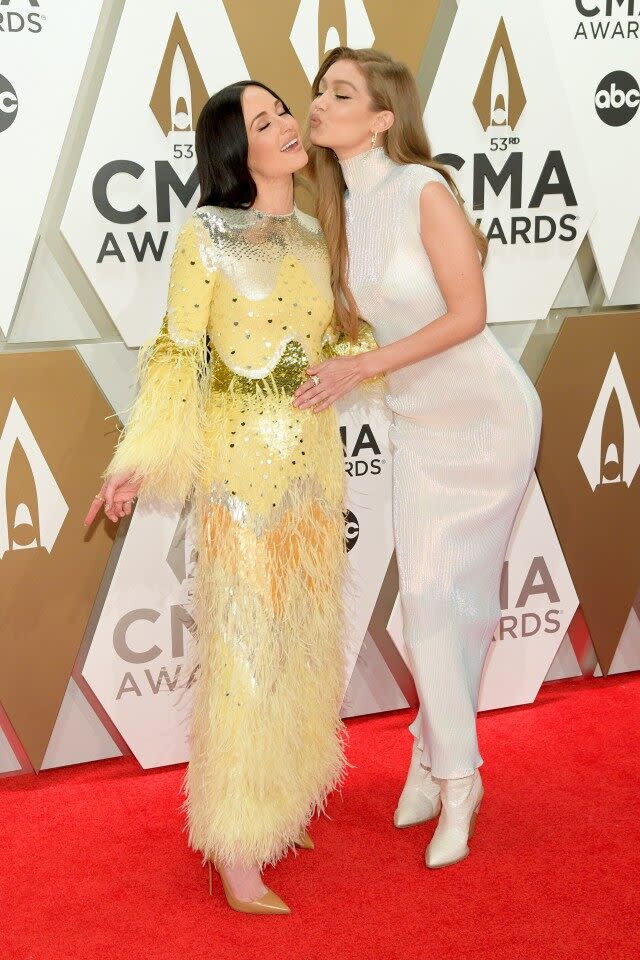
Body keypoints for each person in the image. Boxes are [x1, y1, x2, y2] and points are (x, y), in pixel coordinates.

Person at [85, 79, 375, 913]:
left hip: (316, 467)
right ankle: (235, 839)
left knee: (304, 642)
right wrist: (137, 460)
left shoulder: (320, 234)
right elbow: (178, 352)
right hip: (239, 473)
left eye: (285, 110)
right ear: (232, 149)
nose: (287, 124)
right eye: (264, 120)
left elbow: (330, 338)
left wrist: (363, 350)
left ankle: (283, 800)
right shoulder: (206, 233)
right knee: (245, 653)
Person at [294, 47, 542, 869]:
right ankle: (431, 756)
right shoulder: (337, 210)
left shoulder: (422, 189)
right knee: (441, 603)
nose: (318, 105)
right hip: (418, 426)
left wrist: (361, 367)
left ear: (381, 118)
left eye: (339, 93)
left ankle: (458, 782)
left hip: (486, 417)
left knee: (439, 595)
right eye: (319, 92)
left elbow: (469, 314)